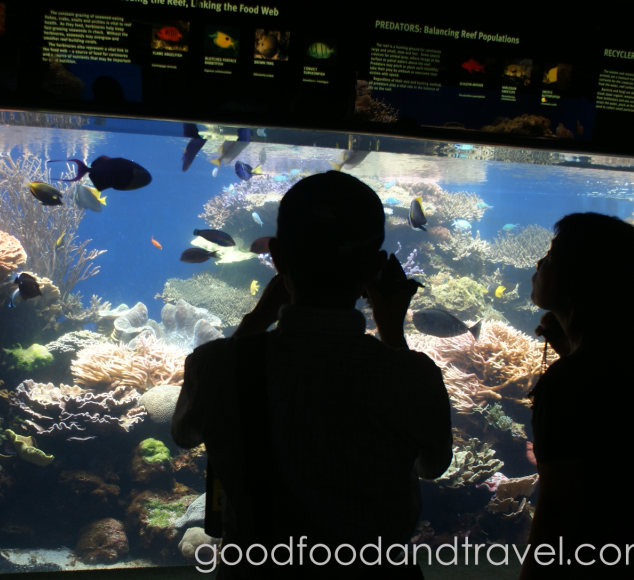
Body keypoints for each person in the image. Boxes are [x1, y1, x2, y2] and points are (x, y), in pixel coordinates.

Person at [171, 171, 453, 579]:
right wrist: (392, 331)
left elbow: (184, 435)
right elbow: (433, 465)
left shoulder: (216, 364)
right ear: (374, 269)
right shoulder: (412, 376)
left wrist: (257, 317)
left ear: (278, 259)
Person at [520, 213, 634, 579]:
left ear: (579, 281)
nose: (539, 263)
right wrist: (572, 349)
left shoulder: (567, 381)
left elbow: (558, 509)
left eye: (551, 257)